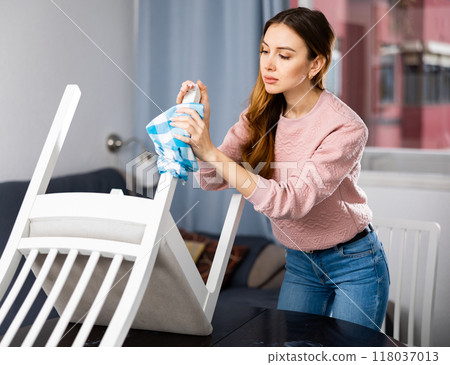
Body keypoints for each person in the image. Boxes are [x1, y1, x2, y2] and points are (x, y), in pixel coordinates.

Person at [170, 7, 389, 331]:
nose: (268, 64)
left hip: (353, 263)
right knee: (293, 351)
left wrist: (212, 152)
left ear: (315, 64)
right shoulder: (258, 115)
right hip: (300, 261)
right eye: (264, 51)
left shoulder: (346, 127)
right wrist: (203, 128)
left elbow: (291, 203)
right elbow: (211, 178)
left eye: (284, 55)